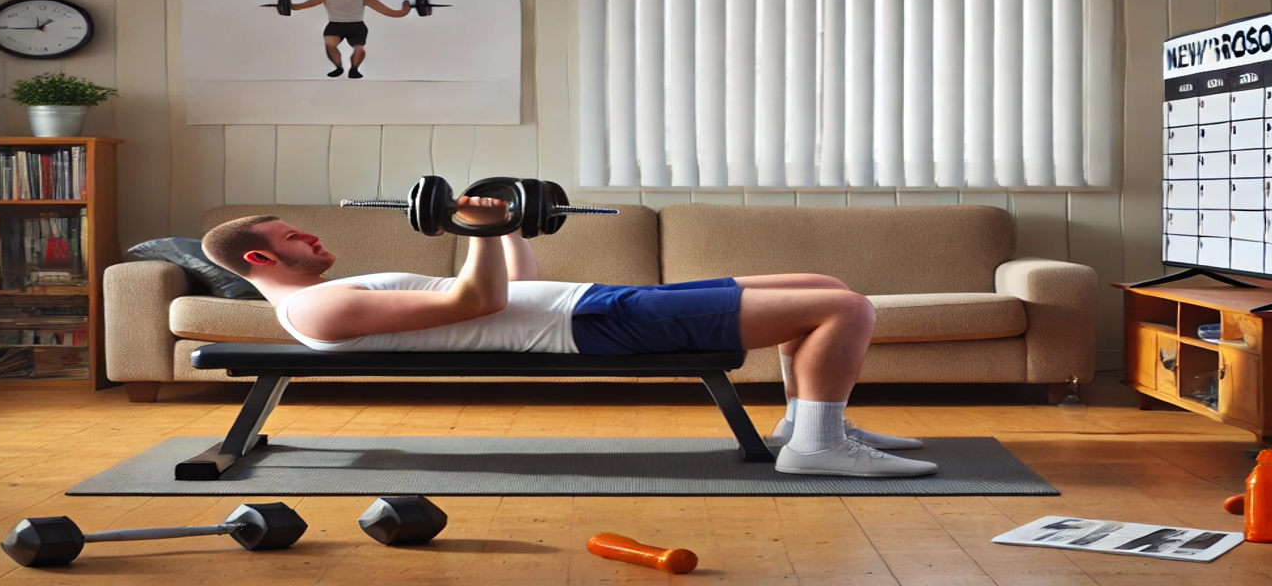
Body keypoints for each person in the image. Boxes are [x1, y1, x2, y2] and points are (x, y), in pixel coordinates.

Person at [201, 198, 937, 478]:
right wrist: (480, 233)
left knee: (825, 286)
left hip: (597, 303)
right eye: (294, 235)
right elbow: (476, 297)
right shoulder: (319, 313)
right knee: (849, 311)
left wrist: (509, 226)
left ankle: (806, 420)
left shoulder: (331, 293)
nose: (314, 234)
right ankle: (818, 448)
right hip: (590, 327)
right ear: (262, 259)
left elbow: (505, 282)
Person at [288, 0, 413, 79]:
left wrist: (289, 5)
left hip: (336, 25)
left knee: (331, 45)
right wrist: (405, 8)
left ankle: (340, 68)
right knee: (358, 48)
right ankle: (353, 69)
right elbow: (393, 13)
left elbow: (301, 6)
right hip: (355, 25)